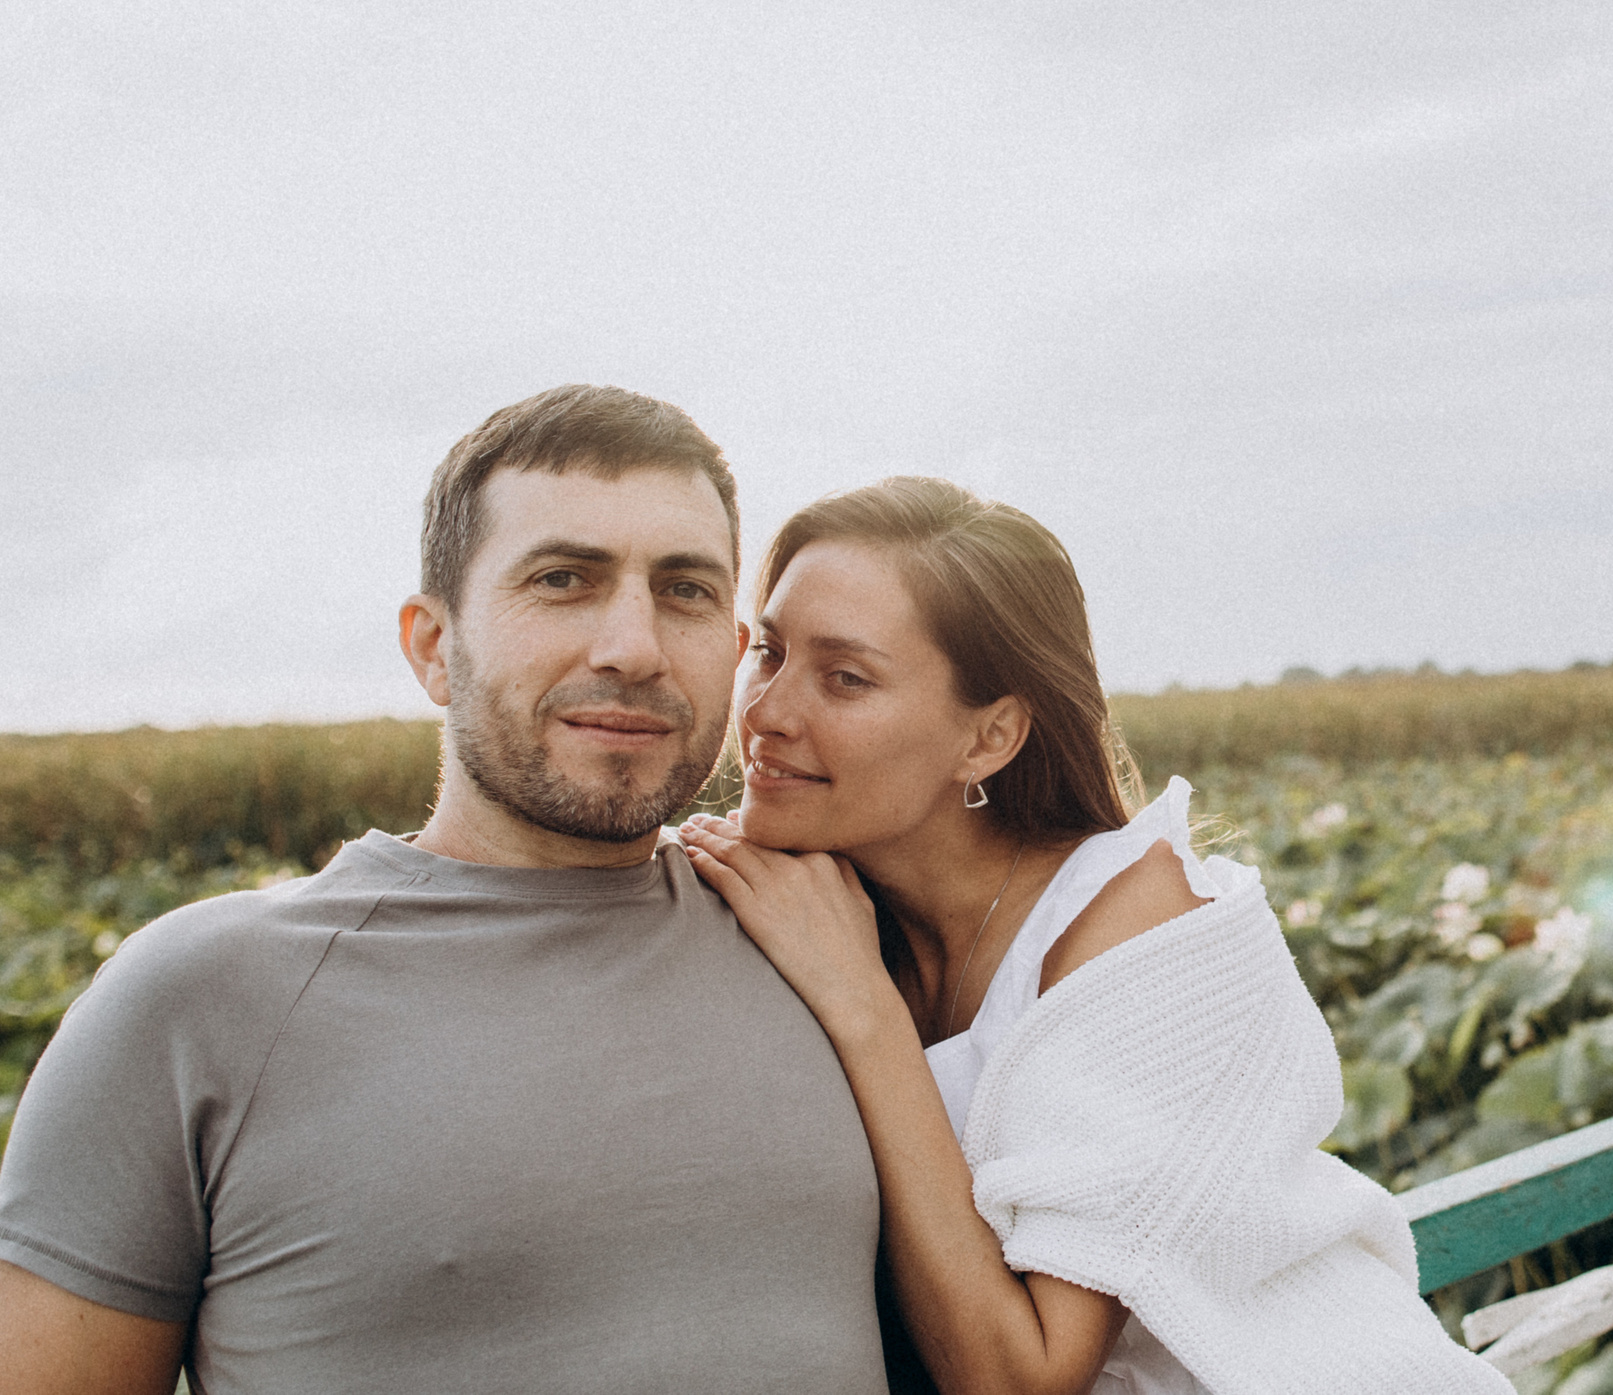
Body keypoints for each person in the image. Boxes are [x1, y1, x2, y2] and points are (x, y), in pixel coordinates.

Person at [0, 385, 892, 1395]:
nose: (634, 647)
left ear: (732, 654)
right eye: (563, 579)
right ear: (433, 646)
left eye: (684, 590)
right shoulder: (200, 1000)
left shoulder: (828, 937)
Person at [677, 477, 1507, 1395]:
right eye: (770, 652)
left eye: (845, 677)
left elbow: (1024, 1379)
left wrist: (864, 1011)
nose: (766, 711)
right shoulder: (814, 900)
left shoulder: (1138, 923)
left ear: (989, 737)